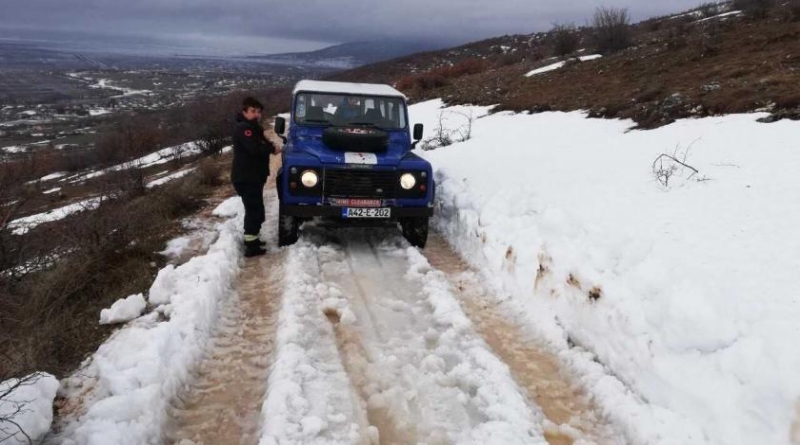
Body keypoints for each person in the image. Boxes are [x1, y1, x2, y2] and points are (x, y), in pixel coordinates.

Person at [231, 97, 281, 257]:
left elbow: (263, 144)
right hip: (246, 177)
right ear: (244, 111)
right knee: (254, 210)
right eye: (253, 111)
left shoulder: (253, 128)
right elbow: (255, 148)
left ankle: (254, 239)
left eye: (258, 112)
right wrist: (271, 148)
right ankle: (251, 247)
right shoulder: (244, 129)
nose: (256, 114)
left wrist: (271, 146)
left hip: (253, 176)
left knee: (257, 209)